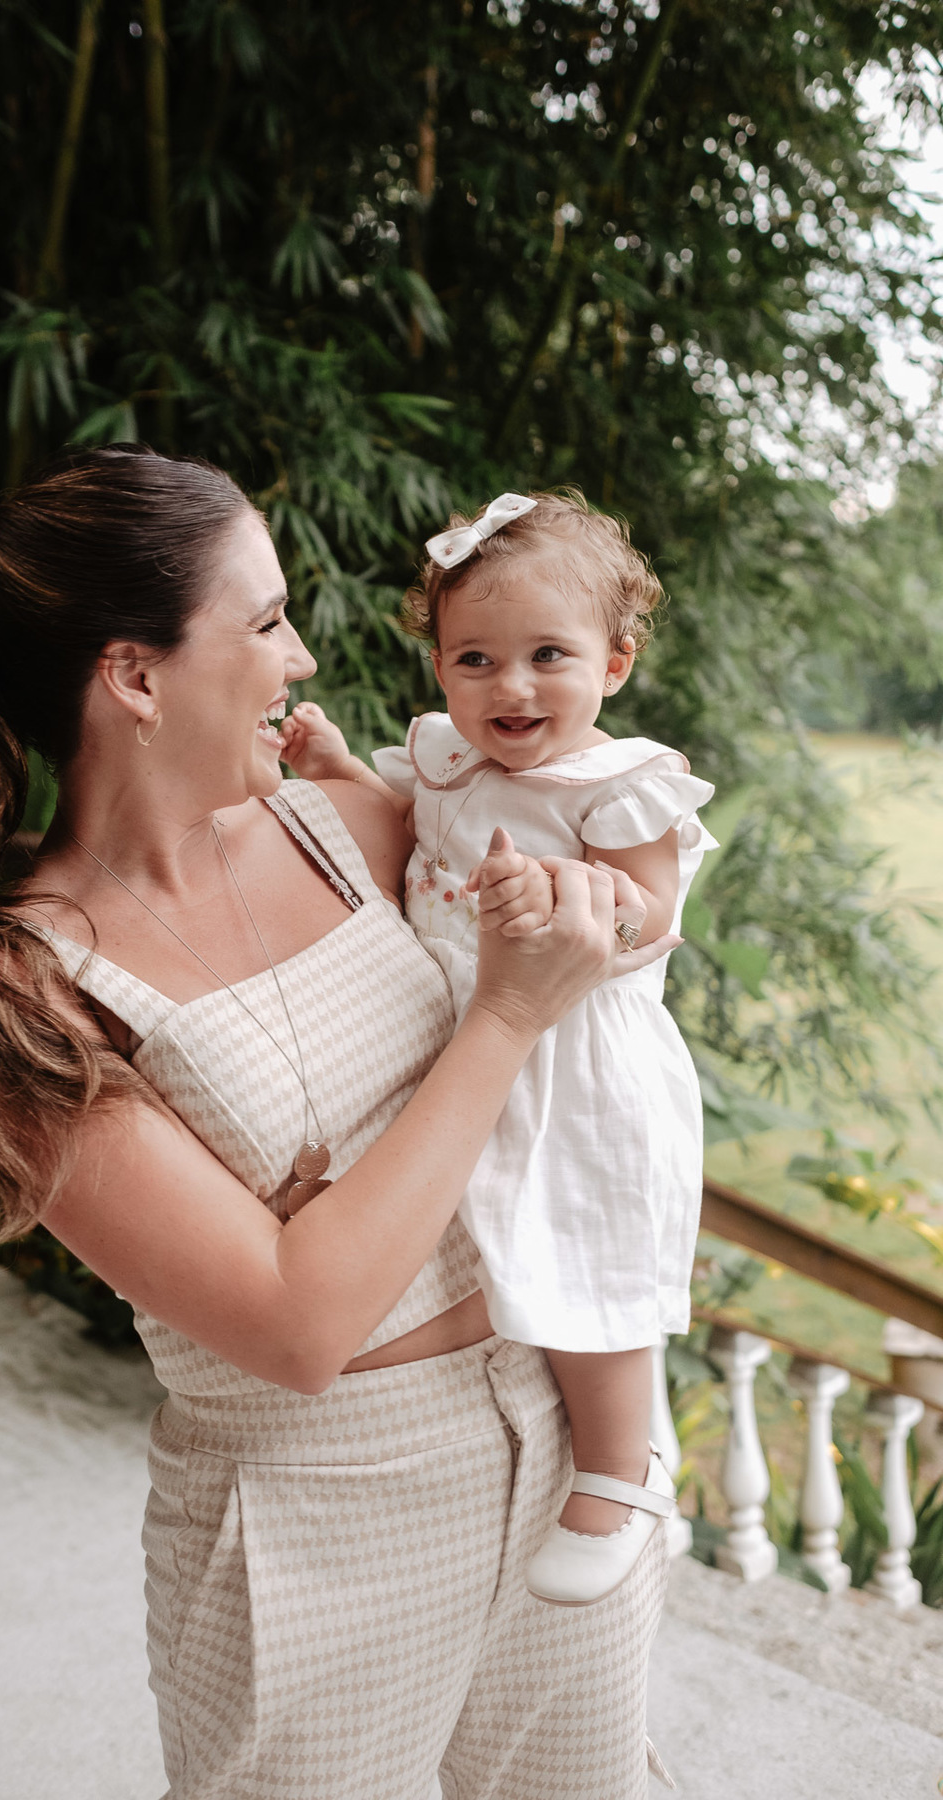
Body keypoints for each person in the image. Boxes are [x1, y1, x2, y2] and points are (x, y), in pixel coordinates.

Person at [0, 446, 679, 1800]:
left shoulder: (350, 827)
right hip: (315, 1525)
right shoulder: (21, 993)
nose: (302, 659)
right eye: (265, 623)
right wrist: (503, 1018)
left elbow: (598, 953)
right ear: (135, 678)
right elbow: (297, 1325)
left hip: (556, 1432)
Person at [281, 489, 714, 1607]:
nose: (510, 687)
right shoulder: (448, 762)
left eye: (547, 657)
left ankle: (620, 1471)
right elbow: (407, 828)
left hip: (576, 1062)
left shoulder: (617, 786)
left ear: (614, 663)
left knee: (585, 1246)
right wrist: (335, 768)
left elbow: (651, 911)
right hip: (466, 1045)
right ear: (439, 669)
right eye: (476, 659)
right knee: (468, 1239)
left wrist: (570, 894)